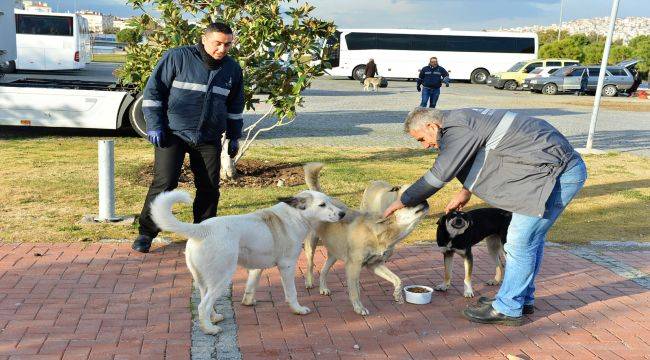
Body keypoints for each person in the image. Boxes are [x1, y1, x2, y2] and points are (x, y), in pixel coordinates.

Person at [383, 107, 587, 326]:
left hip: (555, 175)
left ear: (432, 126)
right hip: (547, 172)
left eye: (422, 139)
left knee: (519, 242)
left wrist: (403, 200)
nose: (425, 146)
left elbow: (438, 176)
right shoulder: (462, 120)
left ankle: (508, 308)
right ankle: (520, 299)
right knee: (529, 241)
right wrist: (465, 191)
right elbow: (484, 154)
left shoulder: (456, 129)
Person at [131, 22, 245, 253]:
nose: (222, 49)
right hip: (172, 133)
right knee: (165, 183)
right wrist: (154, 125)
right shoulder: (177, 57)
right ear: (204, 40)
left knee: (209, 187)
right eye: (218, 43)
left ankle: (204, 234)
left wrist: (234, 136)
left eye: (228, 44)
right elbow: (153, 93)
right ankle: (146, 233)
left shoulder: (232, 69)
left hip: (208, 137)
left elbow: (235, 105)